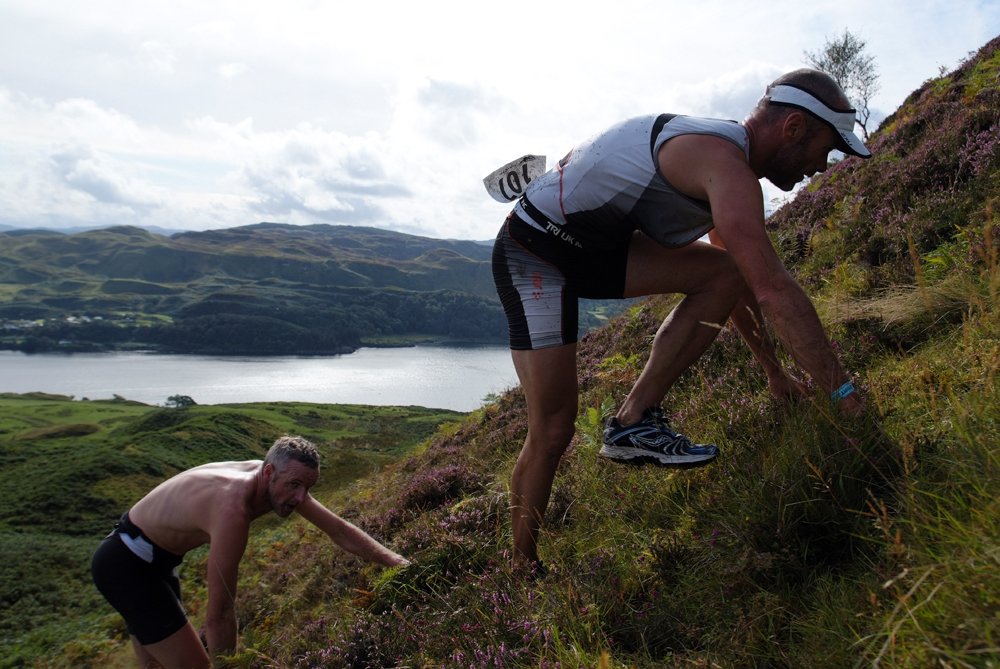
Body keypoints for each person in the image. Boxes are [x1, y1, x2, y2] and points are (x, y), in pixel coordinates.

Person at [491, 68, 869, 568]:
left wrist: (774, 373)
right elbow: (775, 289)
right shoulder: (721, 162)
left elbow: (737, 281)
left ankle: (633, 422)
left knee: (723, 273)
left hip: (596, 248)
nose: (825, 165)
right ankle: (521, 566)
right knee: (554, 428)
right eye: (828, 146)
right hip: (534, 252)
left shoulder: (728, 169)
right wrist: (843, 392)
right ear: (794, 128)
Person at [91, 435, 408, 669]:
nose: (301, 498)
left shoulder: (278, 479)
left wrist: (398, 563)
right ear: (269, 474)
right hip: (126, 566)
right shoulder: (232, 509)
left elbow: (338, 530)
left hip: (154, 562)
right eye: (295, 485)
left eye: (307, 488)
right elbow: (220, 615)